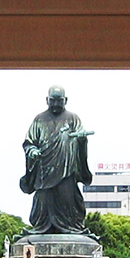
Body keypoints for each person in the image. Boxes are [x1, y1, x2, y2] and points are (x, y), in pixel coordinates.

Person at [20, 86, 93, 235]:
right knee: (43, 200)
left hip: (66, 168)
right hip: (44, 169)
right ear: (47, 100)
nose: (55, 104)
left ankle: (71, 226)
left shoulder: (73, 118)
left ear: (65, 100)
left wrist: (81, 140)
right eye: (52, 100)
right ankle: (41, 226)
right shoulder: (39, 120)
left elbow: (80, 138)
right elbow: (29, 142)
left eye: (59, 101)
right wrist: (32, 151)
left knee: (67, 198)